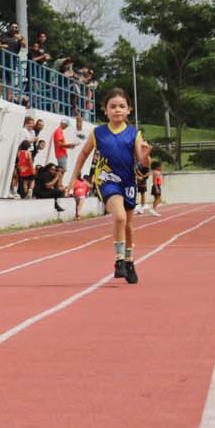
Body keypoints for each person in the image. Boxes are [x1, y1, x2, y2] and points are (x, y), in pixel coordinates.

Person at [66, 87, 150, 285]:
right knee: (119, 216)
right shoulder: (98, 133)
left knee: (128, 225)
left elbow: (142, 163)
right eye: (113, 107)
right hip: (106, 180)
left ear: (129, 110)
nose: (117, 110)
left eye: (122, 106)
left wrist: (146, 155)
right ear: (105, 110)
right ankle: (119, 260)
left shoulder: (134, 134)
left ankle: (129, 262)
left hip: (128, 181)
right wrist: (73, 177)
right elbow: (83, 154)